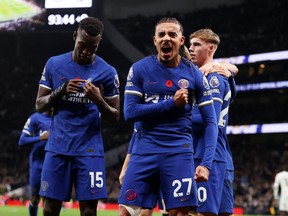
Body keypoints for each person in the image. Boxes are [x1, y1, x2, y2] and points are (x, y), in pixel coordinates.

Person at [118, 17, 218, 216]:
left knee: (180, 213)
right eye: (161, 34)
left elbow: (210, 122)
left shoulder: (193, 73)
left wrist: (206, 164)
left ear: (181, 41)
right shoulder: (139, 69)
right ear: (154, 40)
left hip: (178, 152)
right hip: (144, 150)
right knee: (127, 212)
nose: (166, 38)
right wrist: (171, 104)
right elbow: (129, 113)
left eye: (172, 34)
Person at [35, 17, 120, 216]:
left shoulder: (108, 72)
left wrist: (99, 100)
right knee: (49, 210)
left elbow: (116, 117)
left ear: (98, 44)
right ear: (75, 36)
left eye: (93, 48)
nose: (86, 52)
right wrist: (60, 91)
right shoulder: (54, 64)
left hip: (89, 151)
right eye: (83, 45)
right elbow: (39, 105)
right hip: (58, 148)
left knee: (89, 212)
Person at [189, 28, 237, 216]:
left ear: (210, 48)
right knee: (223, 213)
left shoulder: (214, 78)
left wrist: (178, 114)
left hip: (206, 153)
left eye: (196, 45)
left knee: (200, 212)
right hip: (221, 155)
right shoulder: (220, 74)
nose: (191, 48)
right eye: (190, 44)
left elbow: (208, 119)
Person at [18, 110, 52, 216]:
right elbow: (22, 141)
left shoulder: (60, 118)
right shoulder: (35, 118)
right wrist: (41, 137)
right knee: (35, 198)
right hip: (37, 163)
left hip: (53, 163)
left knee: (51, 198)